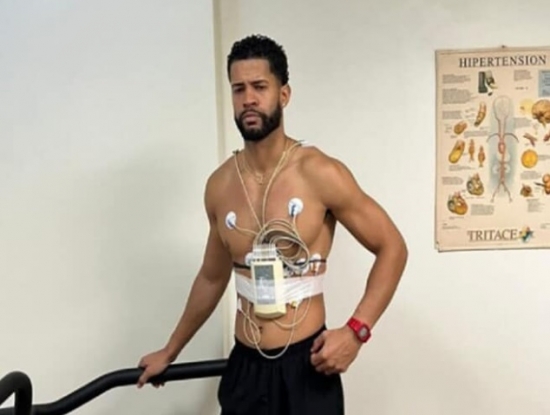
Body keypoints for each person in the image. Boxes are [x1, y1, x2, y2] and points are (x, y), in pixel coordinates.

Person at [136, 34, 408, 414]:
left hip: (307, 366)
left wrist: (356, 331)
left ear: (284, 94)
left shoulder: (319, 172)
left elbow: (392, 247)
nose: (248, 98)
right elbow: (212, 278)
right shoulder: (220, 185)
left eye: (259, 87)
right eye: (239, 89)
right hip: (246, 369)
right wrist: (170, 350)